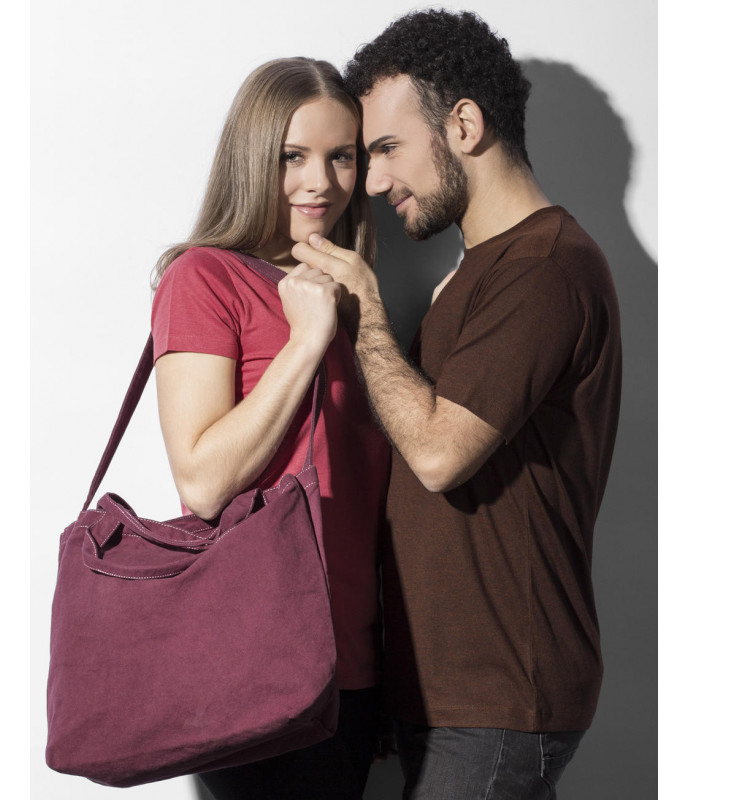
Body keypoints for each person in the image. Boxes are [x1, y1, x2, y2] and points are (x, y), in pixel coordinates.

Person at [293, 10, 622, 799]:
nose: (373, 183)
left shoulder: (545, 267)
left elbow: (439, 455)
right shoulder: (479, 272)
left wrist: (367, 314)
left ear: (465, 125)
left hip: (500, 697)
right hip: (452, 699)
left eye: (386, 149)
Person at [150, 58, 389, 799]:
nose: (321, 182)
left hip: (354, 668)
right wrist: (306, 341)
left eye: (341, 156)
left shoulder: (349, 292)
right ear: (253, 157)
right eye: (293, 156)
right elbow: (202, 480)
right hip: (257, 663)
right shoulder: (204, 278)